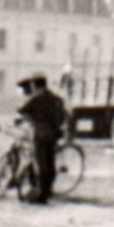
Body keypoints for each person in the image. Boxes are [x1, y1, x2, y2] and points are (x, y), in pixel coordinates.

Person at [16, 72, 68, 204]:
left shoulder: (36, 98)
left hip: (40, 135)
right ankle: (48, 190)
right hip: (53, 135)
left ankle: (41, 195)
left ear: (34, 84)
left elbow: (22, 110)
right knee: (50, 164)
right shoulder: (55, 98)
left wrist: (31, 119)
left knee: (41, 164)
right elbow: (63, 115)